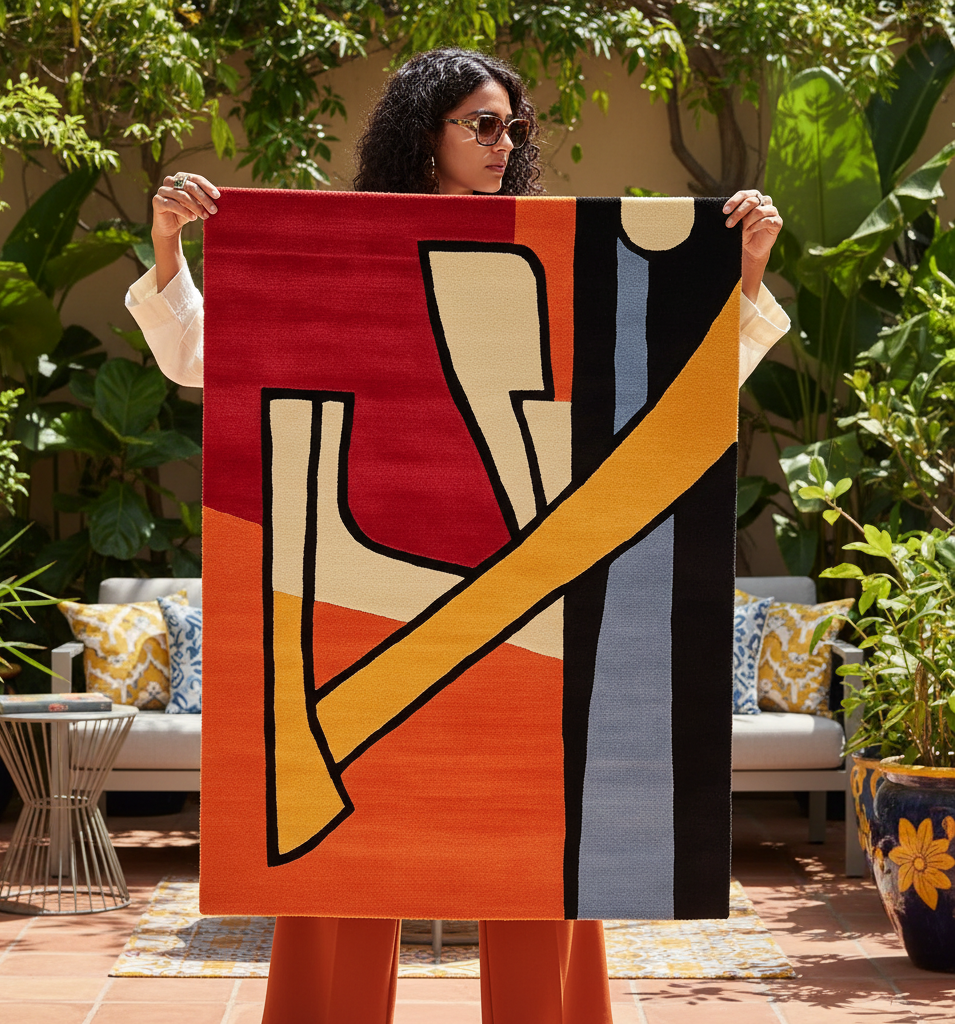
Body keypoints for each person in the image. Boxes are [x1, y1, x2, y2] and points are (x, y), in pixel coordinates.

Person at [126, 47, 787, 1024]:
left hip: (533, 576)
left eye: (511, 126)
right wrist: (173, 248)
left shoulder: (556, 253)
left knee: (540, 853)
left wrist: (746, 268)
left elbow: (672, 398)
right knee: (336, 869)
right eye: (480, 123)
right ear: (421, 131)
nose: (503, 142)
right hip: (363, 583)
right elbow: (210, 361)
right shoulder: (345, 253)